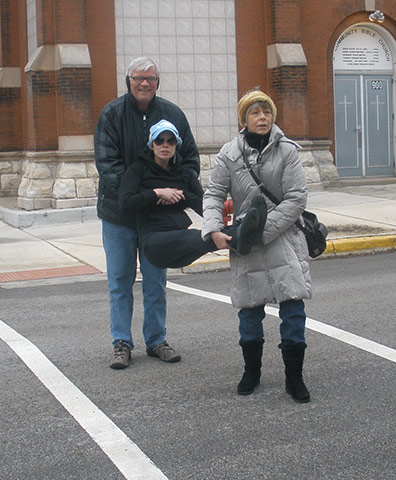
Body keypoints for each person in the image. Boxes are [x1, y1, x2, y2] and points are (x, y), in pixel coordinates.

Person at [202, 90, 313, 403]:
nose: (262, 117)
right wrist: (212, 229)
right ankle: (251, 371)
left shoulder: (288, 151)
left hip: (284, 241)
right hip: (244, 244)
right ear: (244, 119)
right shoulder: (229, 154)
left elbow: (296, 199)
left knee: (293, 309)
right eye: (255, 112)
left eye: (266, 111)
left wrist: (259, 231)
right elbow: (212, 195)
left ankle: (295, 377)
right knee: (249, 314)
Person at [94, 57, 199, 370]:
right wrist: (144, 193)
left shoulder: (172, 115)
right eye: (138, 78)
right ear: (128, 81)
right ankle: (121, 344)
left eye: (151, 79)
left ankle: (156, 340)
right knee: (120, 282)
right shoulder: (112, 115)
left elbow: (190, 161)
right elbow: (107, 165)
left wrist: (177, 193)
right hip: (119, 216)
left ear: (157, 82)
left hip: (160, 219)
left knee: (156, 281)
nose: (144, 84)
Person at [119, 119, 267, 269]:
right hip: (154, 243)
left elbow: (203, 205)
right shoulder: (138, 170)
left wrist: (182, 196)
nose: (165, 145)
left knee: (209, 237)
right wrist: (156, 193)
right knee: (201, 236)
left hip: (182, 246)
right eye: (159, 140)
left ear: (176, 145)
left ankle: (246, 233)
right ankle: (240, 235)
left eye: (170, 141)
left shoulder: (184, 173)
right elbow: (125, 204)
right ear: (152, 144)